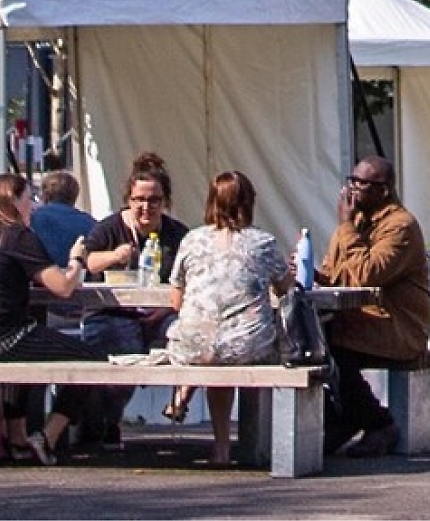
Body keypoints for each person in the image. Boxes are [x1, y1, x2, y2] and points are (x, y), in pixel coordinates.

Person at [0, 171, 99, 464]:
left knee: (30, 341)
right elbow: (64, 287)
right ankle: (48, 437)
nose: (35, 206)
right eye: (31, 199)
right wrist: (77, 258)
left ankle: (16, 438)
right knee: (91, 360)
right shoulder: (16, 235)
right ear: (16, 202)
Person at [163, 170, 292, 467]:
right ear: (249, 203)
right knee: (236, 342)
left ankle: (218, 443)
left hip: (192, 344)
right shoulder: (263, 243)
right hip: (246, 345)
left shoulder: (191, 240)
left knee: (212, 344)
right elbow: (286, 290)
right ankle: (246, 444)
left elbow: (175, 300)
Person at [317, 155, 430, 460]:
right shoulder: (355, 222)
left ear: (383, 189)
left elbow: (367, 275)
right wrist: (309, 274)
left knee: (332, 348)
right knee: (307, 344)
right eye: (351, 181)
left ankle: (376, 422)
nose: (351, 190)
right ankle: (341, 417)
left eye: (362, 184)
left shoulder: (400, 227)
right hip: (360, 322)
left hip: (396, 328)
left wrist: (345, 228)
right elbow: (336, 272)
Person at [78, 154, 189, 449]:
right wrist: (115, 256)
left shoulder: (177, 234)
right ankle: (103, 422)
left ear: (164, 201)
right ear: (128, 198)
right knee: (120, 344)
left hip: (161, 313)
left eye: (154, 200)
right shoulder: (109, 228)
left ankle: (180, 403)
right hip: (114, 312)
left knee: (189, 337)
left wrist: (165, 308)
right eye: (139, 199)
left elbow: (190, 279)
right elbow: (88, 261)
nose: (146, 207)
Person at [29, 169, 99, 269]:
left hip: (39, 279)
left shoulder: (31, 219)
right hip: (80, 279)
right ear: (75, 195)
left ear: (44, 195)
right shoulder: (91, 223)